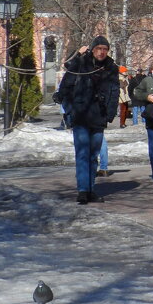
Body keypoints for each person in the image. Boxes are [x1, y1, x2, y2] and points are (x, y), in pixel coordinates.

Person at [54, 36, 120, 204]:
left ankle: (90, 189)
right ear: (92, 49)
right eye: (98, 48)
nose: (102, 52)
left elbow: (114, 92)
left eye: (105, 49)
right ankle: (83, 190)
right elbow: (66, 84)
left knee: (93, 155)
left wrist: (110, 114)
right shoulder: (81, 63)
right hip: (81, 114)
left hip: (99, 116)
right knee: (83, 153)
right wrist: (68, 105)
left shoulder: (111, 68)